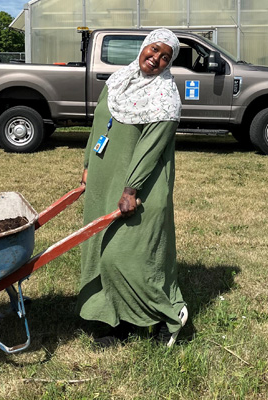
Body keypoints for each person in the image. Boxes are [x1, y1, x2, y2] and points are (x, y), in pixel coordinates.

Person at [79, 28, 188, 348]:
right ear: (143, 47)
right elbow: (100, 123)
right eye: (153, 50)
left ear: (169, 63)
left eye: (165, 56)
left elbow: (151, 149)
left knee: (130, 256)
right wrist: (88, 164)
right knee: (101, 252)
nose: (155, 59)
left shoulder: (164, 97)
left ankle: (170, 318)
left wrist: (131, 189)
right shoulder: (118, 81)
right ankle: (114, 321)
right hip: (103, 179)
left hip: (140, 187)